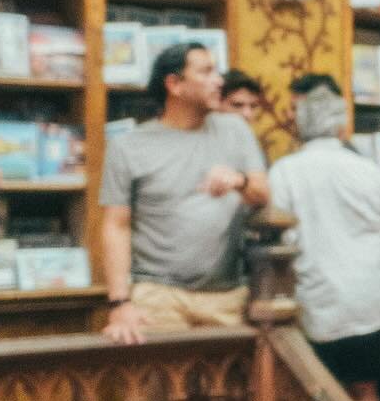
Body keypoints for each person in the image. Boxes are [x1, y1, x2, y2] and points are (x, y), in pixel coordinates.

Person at [100, 42, 269, 343]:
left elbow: (263, 194)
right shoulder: (128, 146)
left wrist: (240, 180)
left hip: (225, 296)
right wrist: (119, 302)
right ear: (174, 84)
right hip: (157, 297)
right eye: (206, 71)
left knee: (232, 391)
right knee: (161, 390)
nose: (218, 80)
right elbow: (116, 225)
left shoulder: (235, 130)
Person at [267, 75, 380, 401]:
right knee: (366, 390)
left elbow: (282, 240)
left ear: (300, 125)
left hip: (321, 300)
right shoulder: (367, 169)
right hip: (371, 300)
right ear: (341, 124)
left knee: (322, 398)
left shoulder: (285, 171)